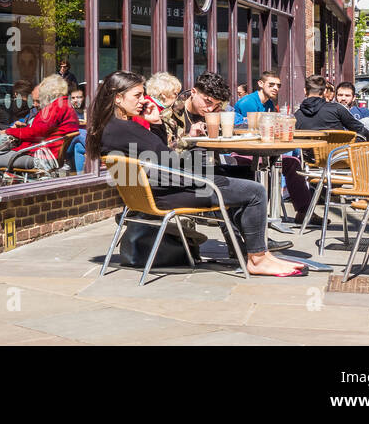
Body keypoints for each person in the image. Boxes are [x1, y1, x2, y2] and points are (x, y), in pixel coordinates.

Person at [87, 70, 305, 277]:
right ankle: (257, 259)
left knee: (239, 177)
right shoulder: (125, 129)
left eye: (143, 93)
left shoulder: (111, 128)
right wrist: (201, 174)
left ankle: (257, 251)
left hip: (156, 191)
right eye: (137, 95)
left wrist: (154, 124)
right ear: (117, 98)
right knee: (255, 191)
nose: (143, 99)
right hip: (169, 193)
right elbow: (166, 159)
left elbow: (159, 156)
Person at [231, 70, 313, 222]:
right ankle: (256, 215)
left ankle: (304, 212)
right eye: (272, 84)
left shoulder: (268, 103)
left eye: (278, 85)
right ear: (260, 84)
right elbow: (247, 130)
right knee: (264, 167)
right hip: (244, 150)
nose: (276, 88)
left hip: (265, 151)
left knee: (293, 163)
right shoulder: (248, 102)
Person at [0, 75, 79, 172]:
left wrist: (10, 131)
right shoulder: (64, 105)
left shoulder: (55, 107)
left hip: (42, 157)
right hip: (48, 154)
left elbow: (36, 133)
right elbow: (42, 131)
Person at [151, 71, 229, 148]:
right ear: (193, 92)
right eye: (208, 101)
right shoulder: (168, 116)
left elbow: (225, 147)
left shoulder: (216, 112)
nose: (210, 109)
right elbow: (164, 154)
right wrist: (190, 138)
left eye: (216, 104)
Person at [296, 75, 369, 141]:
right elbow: (359, 129)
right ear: (324, 92)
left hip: (309, 158)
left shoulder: (297, 115)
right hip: (337, 156)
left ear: (305, 91)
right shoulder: (337, 109)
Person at [67, 86, 88, 171]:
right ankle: (97, 151)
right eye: (73, 98)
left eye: (79, 97)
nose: (75, 100)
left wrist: (86, 111)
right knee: (80, 132)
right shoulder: (68, 110)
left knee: (79, 146)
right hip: (67, 144)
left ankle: (81, 178)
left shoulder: (88, 110)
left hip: (81, 142)